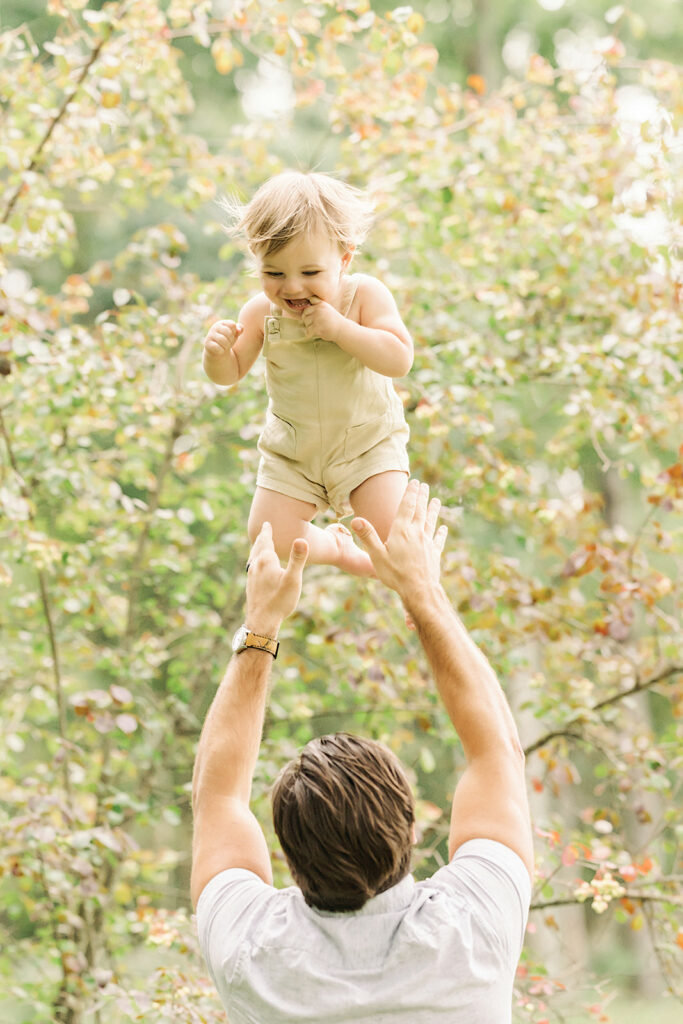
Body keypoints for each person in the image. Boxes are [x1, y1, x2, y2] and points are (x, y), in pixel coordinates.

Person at [191, 480, 534, 1023]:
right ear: (414, 826)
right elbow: (497, 752)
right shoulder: (474, 932)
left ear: (289, 855)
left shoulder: (249, 955)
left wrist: (261, 627)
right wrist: (423, 592)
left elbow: (217, 798)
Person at [202, 170, 413, 577]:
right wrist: (216, 355)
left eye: (311, 273)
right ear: (256, 260)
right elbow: (230, 373)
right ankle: (336, 548)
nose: (293, 287)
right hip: (294, 456)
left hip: (366, 446)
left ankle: (416, 593)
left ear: (345, 258)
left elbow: (399, 358)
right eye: (274, 273)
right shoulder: (260, 313)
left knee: (396, 539)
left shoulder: (364, 295)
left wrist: (342, 329)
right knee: (268, 535)